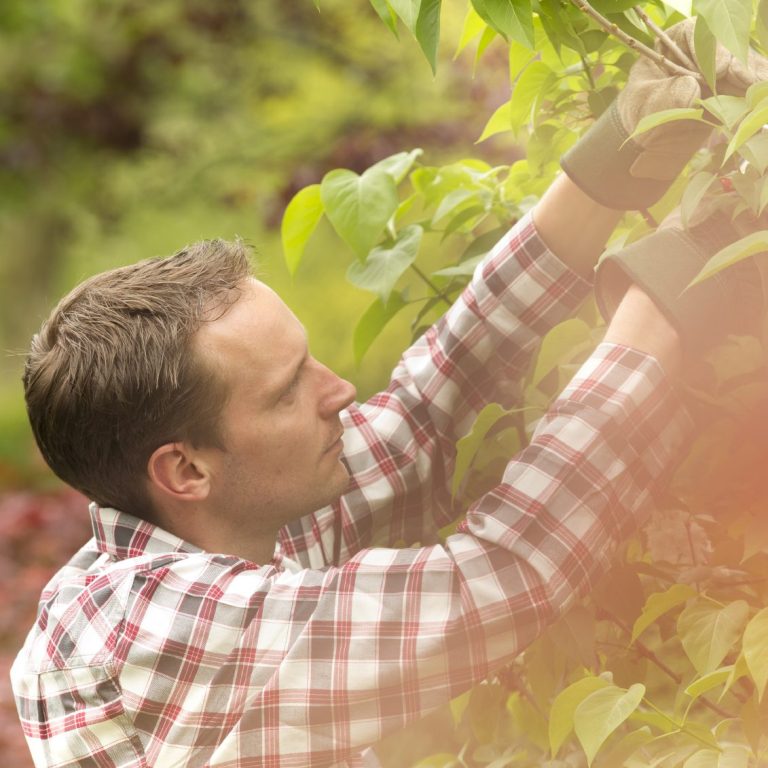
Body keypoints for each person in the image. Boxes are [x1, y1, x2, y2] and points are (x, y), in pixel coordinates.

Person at [10, 21, 767, 768]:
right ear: (185, 472)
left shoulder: (237, 514)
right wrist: (677, 275)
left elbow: (423, 417)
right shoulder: (145, 627)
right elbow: (493, 582)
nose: (339, 392)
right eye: (285, 393)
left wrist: (615, 157)